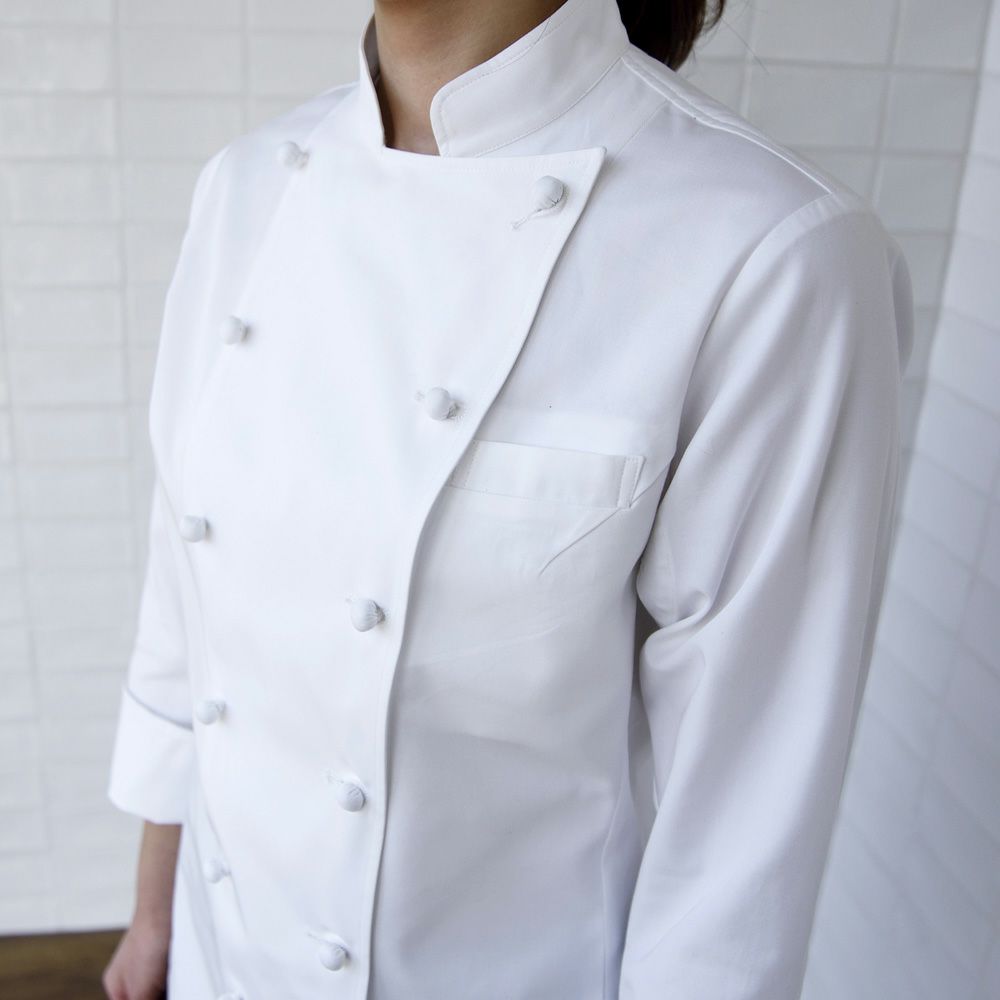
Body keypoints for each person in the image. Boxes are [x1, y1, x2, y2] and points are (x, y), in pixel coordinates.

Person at [102, 0, 914, 998]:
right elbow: (186, 577)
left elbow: (735, 848)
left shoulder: (771, 251)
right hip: (222, 955)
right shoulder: (245, 184)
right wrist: (156, 911)